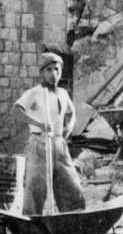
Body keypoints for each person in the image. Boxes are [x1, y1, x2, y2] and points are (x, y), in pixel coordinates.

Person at [11, 52, 86, 215]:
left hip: (59, 145)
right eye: (49, 70)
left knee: (71, 185)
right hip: (39, 143)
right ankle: (33, 226)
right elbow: (15, 111)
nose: (54, 74)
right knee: (36, 188)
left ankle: (73, 221)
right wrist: (39, 124)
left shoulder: (63, 94)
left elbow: (71, 112)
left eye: (57, 70)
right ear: (42, 72)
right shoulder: (35, 93)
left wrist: (66, 130)